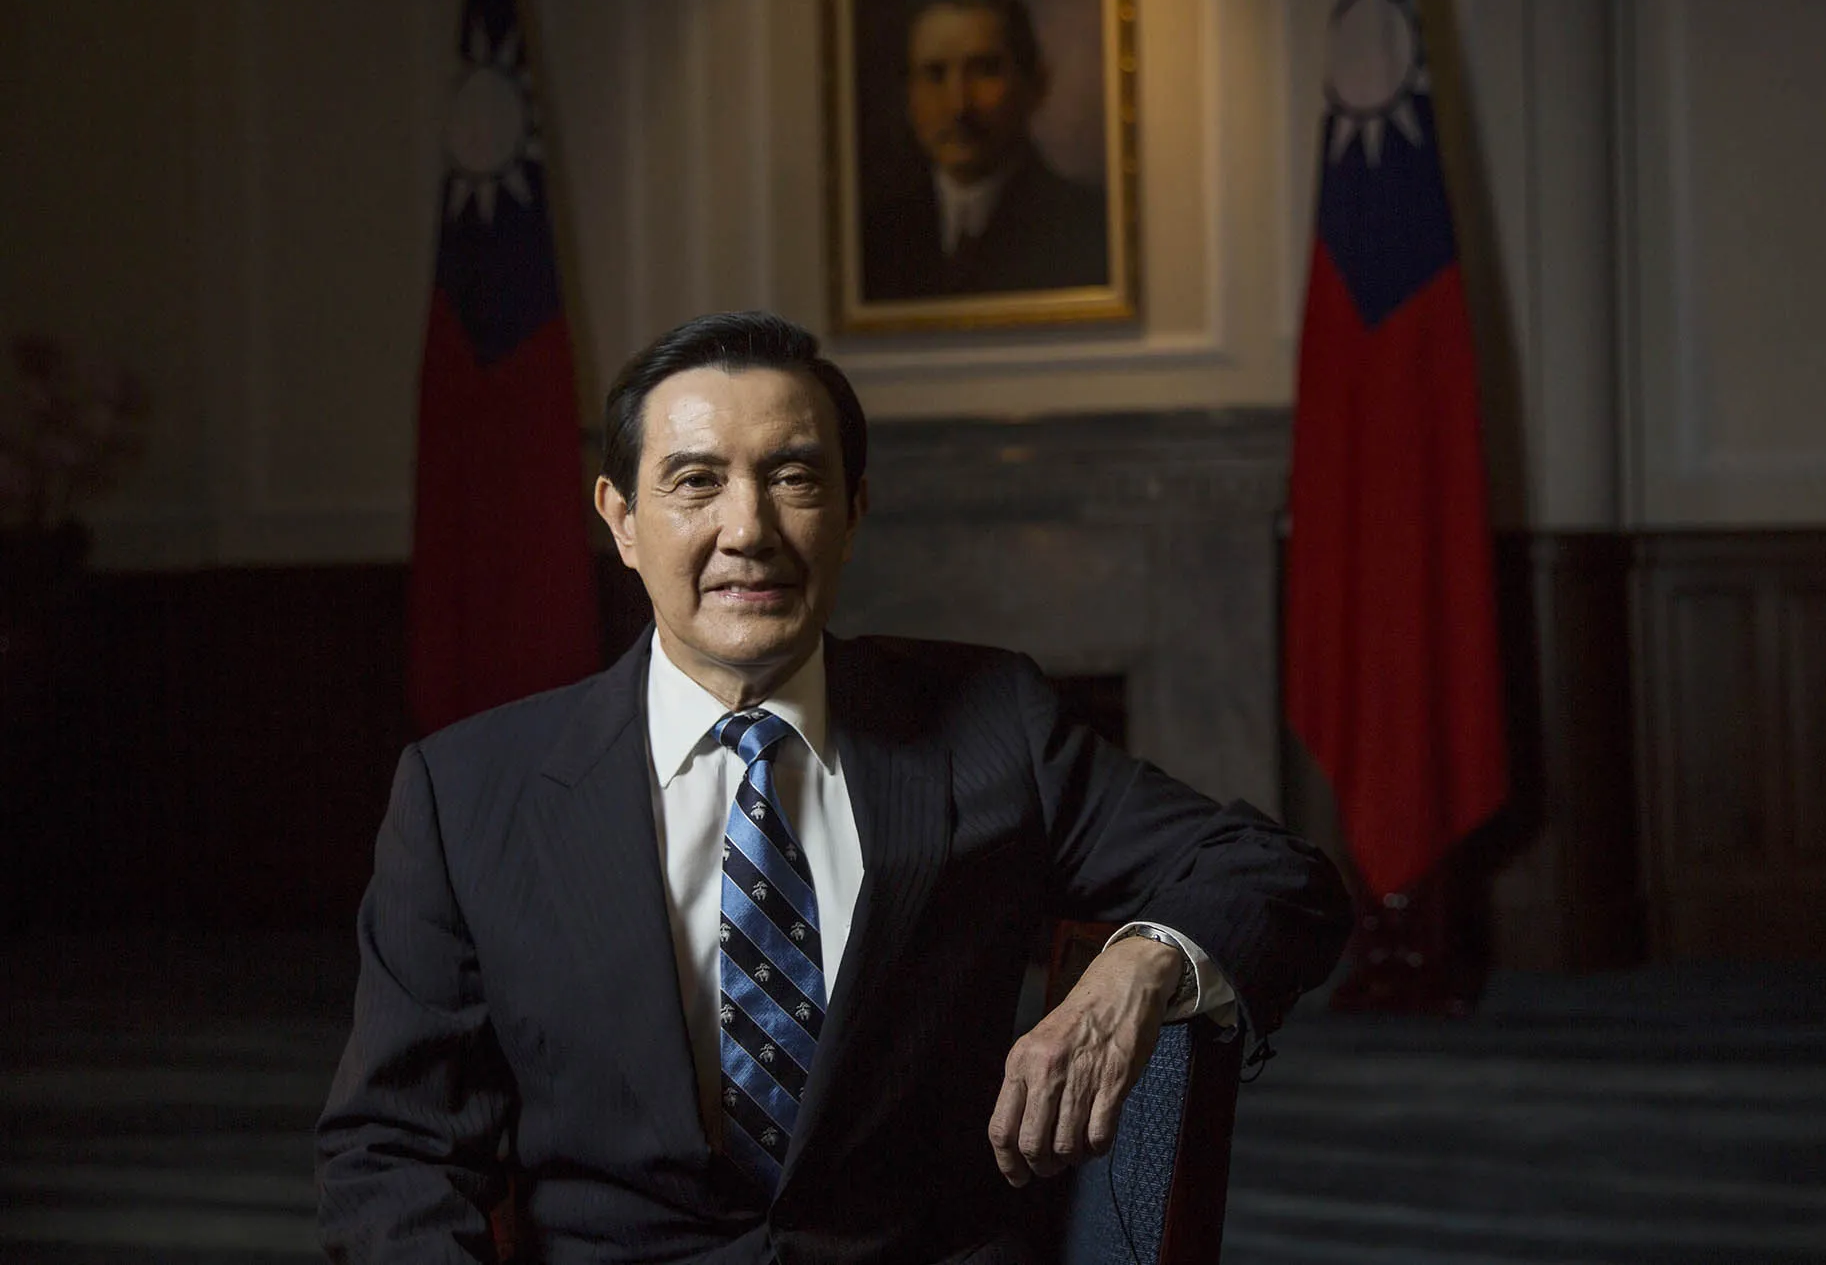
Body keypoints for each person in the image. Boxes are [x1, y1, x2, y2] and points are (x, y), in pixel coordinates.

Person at [317, 311, 1350, 1264]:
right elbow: (396, 1150)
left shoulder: (991, 724)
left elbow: (1276, 875)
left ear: (853, 511)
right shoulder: (467, 795)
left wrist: (1138, 963)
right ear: (621, 519)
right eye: (694, 482)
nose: (749, 529)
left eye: (794, 477)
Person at [860, 0, 1112, 302]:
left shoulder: (1089, 228)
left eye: (984, 71)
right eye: (934, 74)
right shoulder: (874, 236)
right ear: (908, 95)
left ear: (1035, 85)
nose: (958, 105)